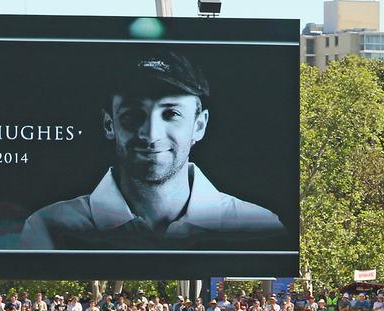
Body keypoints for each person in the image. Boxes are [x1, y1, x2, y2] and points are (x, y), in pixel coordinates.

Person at [20, 50, 283, 249]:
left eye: (171, 114)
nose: (151, 134)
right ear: (109, 124)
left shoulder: (259, 224)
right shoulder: (49, 226)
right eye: (133, 115)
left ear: (199, 125)